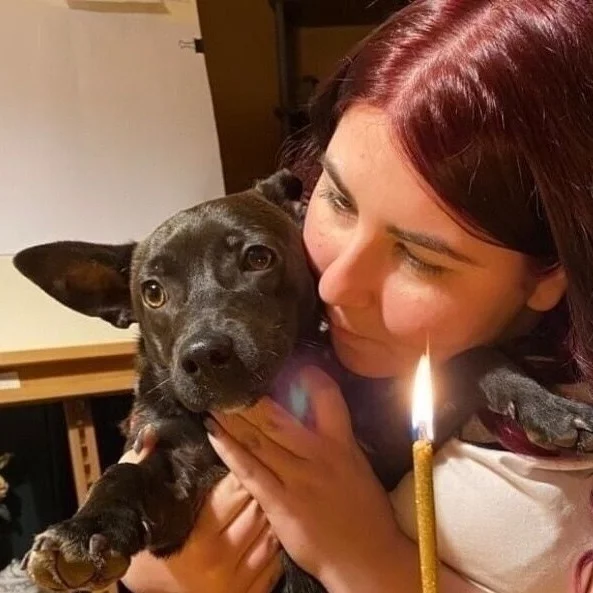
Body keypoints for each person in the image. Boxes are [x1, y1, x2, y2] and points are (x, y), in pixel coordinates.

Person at [120, 0, 593, 591]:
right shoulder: (306, 336)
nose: (334, 284)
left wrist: (360, 557)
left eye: (420, 258)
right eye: (339, 200)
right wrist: (153, 573)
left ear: (551, 272)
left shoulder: (548, 487)